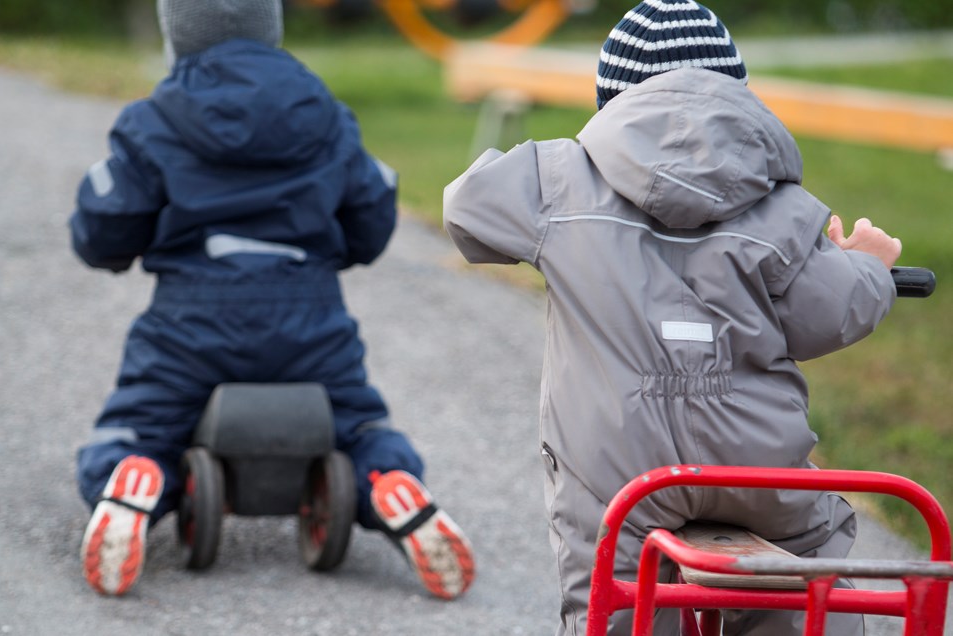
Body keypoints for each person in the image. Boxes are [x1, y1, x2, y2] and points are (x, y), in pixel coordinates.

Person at [443, 0, 901, 633]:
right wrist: (869, 269)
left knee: (610, 591)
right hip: (758, 469)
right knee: (809, 571)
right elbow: (824, 315)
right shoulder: (786, 207)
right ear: (738, 92)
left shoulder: (559, 181)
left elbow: (466, 213)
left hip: (620, 477)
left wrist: (550, 174)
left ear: (613, 102)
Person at [71, 0, 474, 600]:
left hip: (191, 317)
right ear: (273, 28)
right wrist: (343, 249)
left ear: (176, 35)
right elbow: (371, 211)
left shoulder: (155, 117)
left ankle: (136, 479)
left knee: (141, 424)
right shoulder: (325, 114)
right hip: (310, 313)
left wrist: (108, 249)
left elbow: (107, 222)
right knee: (357, 422)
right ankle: (390, 484)